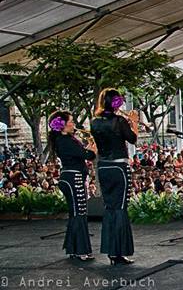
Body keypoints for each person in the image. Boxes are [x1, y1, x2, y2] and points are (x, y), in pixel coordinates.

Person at [90, 88, 139, 265]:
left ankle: (111, 250)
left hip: (103, 166)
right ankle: (119, 251)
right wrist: (133, 122)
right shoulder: (119, 121)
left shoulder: (94, 122)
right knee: (120, 207)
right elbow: (132, 139)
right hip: (118, 166)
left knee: (110, 207)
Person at [49, 111, 97, 261]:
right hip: (72, 178)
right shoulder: (65, 141)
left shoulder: (67, 139)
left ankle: (74, 248)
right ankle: (80, 249)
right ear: (63, 125)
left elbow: (82, 153)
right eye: (71, 121)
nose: (74, 124)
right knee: (79, 212)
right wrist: (92, 149)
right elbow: (87, 155)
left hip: (72, 177)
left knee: (77, 213)